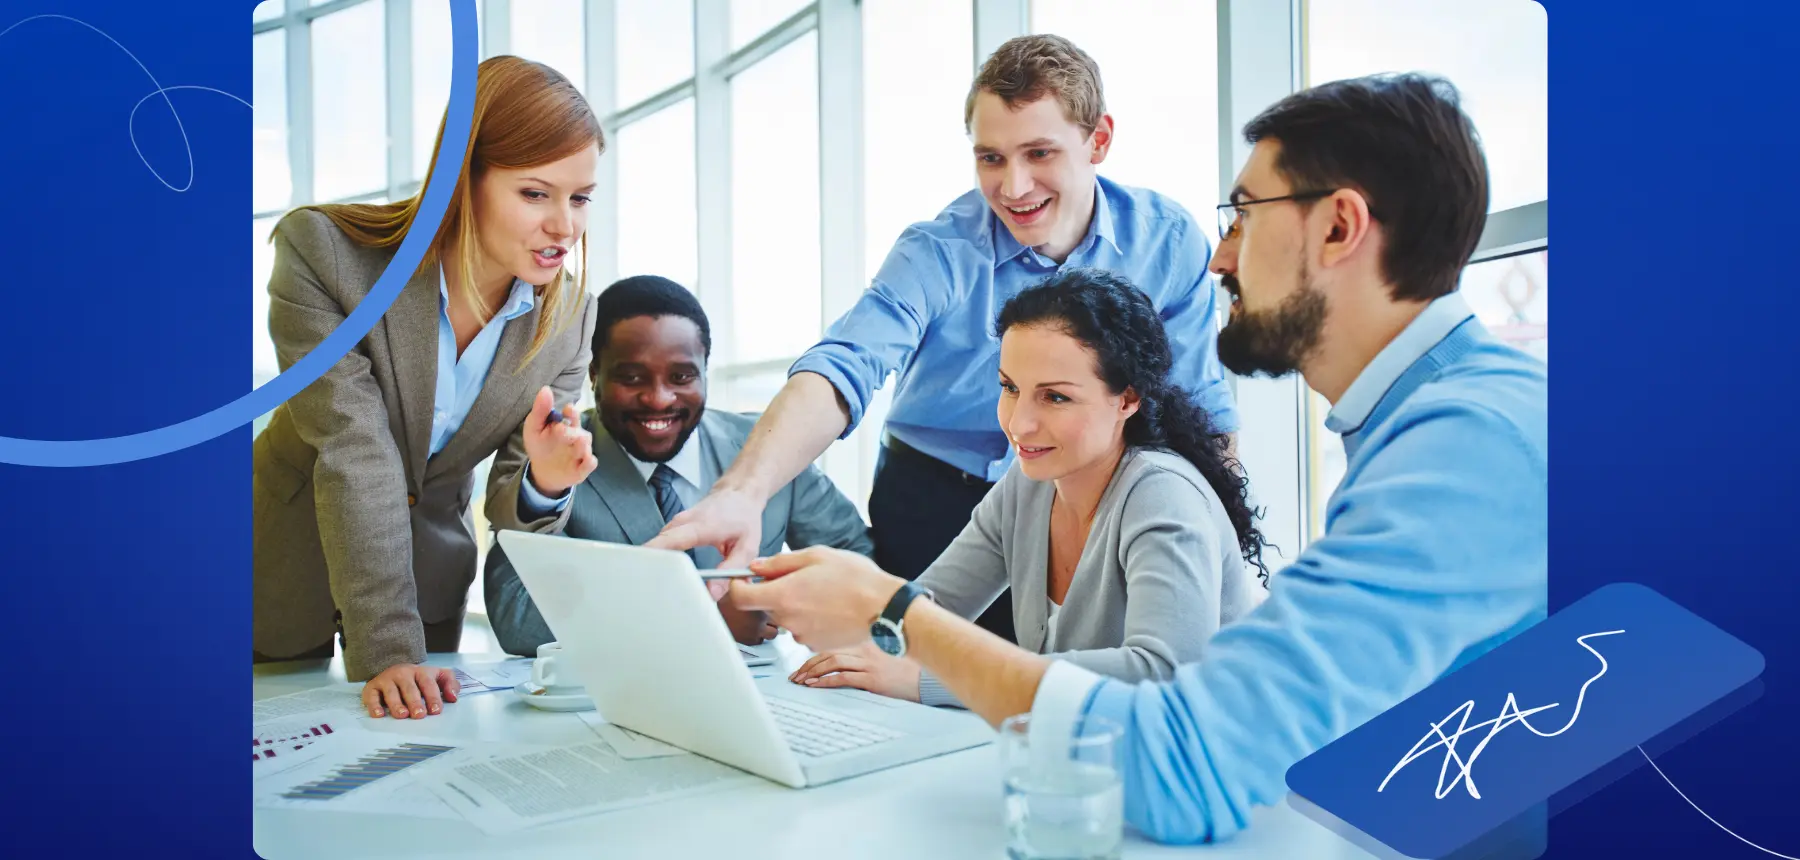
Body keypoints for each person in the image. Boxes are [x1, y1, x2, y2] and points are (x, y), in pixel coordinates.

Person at [727, 73, 1548, 844]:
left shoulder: (1467, 444)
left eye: (1242, 215)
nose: (1220, 257)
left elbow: (1181, 767)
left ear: (1338, 226)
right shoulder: (1423, 425)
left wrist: (898, 618)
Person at [648, 34, 1238, 645]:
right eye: (990, 158)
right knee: (911, 670)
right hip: (936, 494)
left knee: (1067, 685)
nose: (1013, 187)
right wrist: (743, 493)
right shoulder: (938, 251)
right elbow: (846, 364)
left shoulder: (1167, 241)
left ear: (1099, 141)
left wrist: (1218, 556)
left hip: (1087, 494)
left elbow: (1199, 408)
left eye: (1039, 153)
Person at [253, 56, 605, 723]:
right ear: (461, 178)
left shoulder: (570, 321)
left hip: (427, 592)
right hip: (283, 569)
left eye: (580, 197)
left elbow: (509, 499)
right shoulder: (326, 258)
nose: (565, 226)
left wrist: (547, 480)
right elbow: (354, 447)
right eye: (536, 194)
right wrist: (389, 648)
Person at [786, 269, 1267, 707]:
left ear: (1128, 399)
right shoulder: (1031, 483)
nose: (1019, 423)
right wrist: (850, 641)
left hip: (1209, 774)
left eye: (1055, 397)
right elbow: (929, 610)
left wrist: (932, 680)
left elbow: (1161, 674)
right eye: (1010, 387)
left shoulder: (1163, 494)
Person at [483, 275, 874, 655]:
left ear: (706, 370)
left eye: (682, 376)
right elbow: (516, 621)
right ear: (593, 375)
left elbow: (866, 570)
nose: (659, 399)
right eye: (632, 377)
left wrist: (788, 602)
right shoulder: (560, 457)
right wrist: (704, 618)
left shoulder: (770, 449)